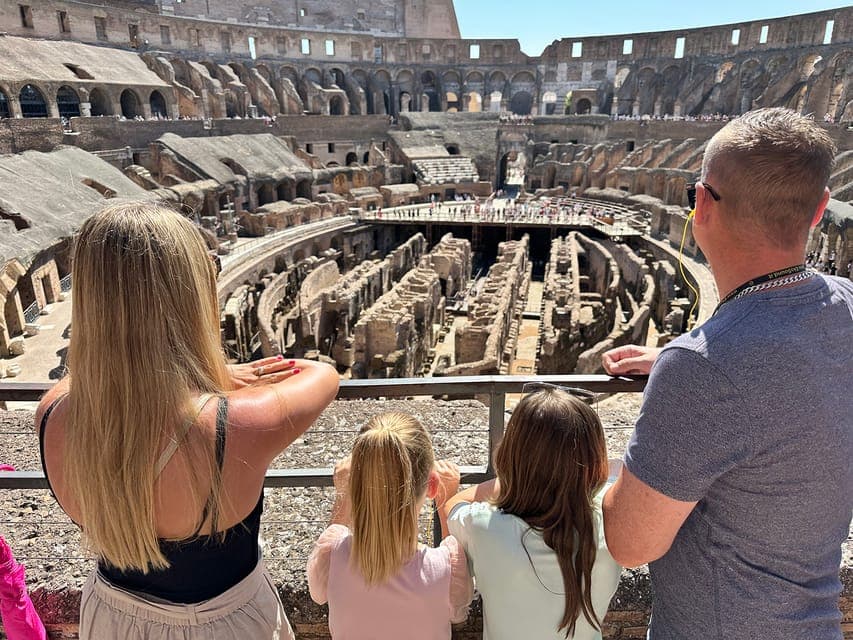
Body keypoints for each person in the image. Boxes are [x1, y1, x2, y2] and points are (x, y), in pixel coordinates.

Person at [601, 108, 853, 639]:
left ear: (700, 205)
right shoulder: (846, 308)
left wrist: (691, 369)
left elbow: (630, 543)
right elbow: (788, 375)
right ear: (818, 211)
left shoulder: (704, 371)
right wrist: (686, 358)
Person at [36, 202, 340, 639]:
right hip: (225, 625)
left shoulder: (52, 410)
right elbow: (323, 376)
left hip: (110, 618)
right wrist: (218, 376)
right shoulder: (236, 424)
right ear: (190, 294)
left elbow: (111, 388)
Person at [440, 385, 622, 640]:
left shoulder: (485, 528)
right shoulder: (614, 521)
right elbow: (614, 470)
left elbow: (453, 504)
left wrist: (520, 477)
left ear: (510, 456)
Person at [307, 412, 473, 639]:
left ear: (356, 485)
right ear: (432, 486)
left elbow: (318, 592)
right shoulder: (446, 567)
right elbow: (458, 610)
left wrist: (343, 496)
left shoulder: (332, 556)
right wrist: (447, 498)